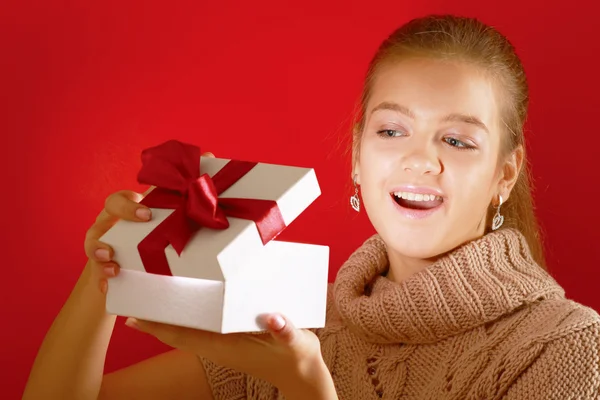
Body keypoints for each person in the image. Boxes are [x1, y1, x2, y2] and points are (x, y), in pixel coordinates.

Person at [23, 14, 600, 400]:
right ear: (356, 156)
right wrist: (106, 271)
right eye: (392, 131)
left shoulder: (568, 347)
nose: (420, 161)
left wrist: (307, 390)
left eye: (457, 140)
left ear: (506, 172)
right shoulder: (294, 319)